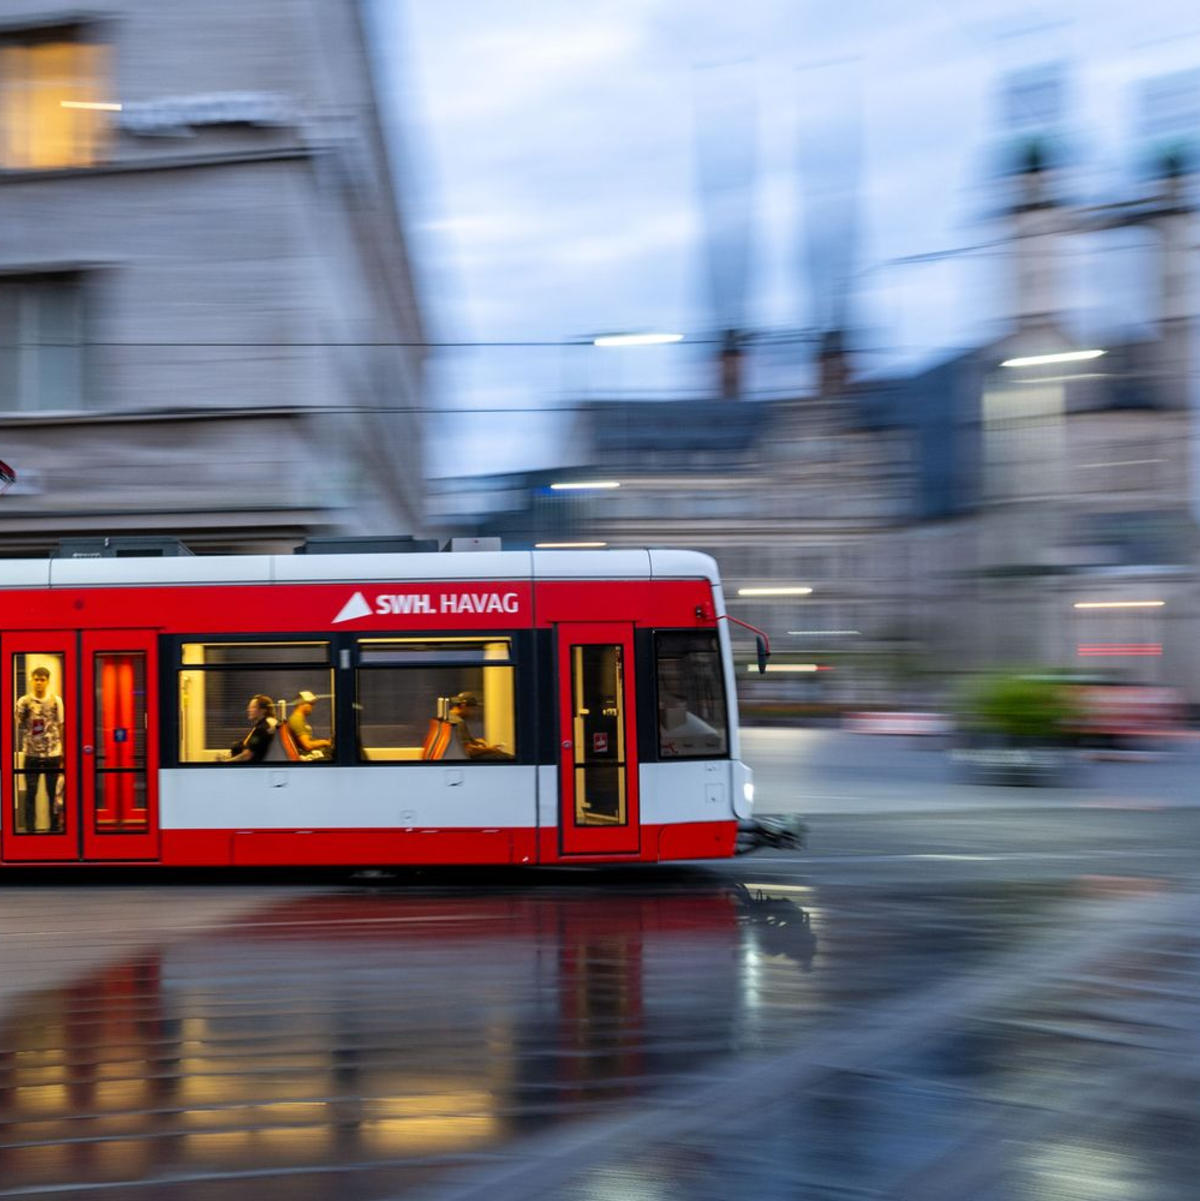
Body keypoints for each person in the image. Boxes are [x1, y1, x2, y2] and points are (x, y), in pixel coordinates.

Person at [15, 665, 63, 832]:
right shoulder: (23, 702)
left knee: (53, 794)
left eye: (42, 680)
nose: (39, 683)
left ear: (48, 681)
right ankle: (30, 830)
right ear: (31, 680)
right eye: (36, 679)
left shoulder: (56, 701)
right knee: (30, 794)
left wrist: (63, 754)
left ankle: (54, 829)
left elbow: (61, 726)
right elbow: (17, 723)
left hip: (53, 753)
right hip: (31, 754)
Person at [446, 691, 512, 760]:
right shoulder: (458, 722)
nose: (473, 712)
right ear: (463, 705)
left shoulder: (448, 716)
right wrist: (491, 749)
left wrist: (474, 741)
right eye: (472, 709)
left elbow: (458, 742)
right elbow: (468, 750)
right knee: (505, 757)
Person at [222, 694, 276, 763]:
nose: (248, 710)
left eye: (253, 707)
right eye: (249, 707)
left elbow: (247, 755)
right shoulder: (263, 725)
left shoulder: (261, 729)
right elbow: (252, 743)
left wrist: (226, 762)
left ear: (263, 710)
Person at [287, 690, 332, 759]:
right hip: (308, 755)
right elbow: (307, 745)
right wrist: (324, 742)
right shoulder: (296, 720)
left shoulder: (299, 718)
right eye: (310, 704)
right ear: (301, 703)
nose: (312, 707)